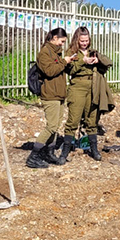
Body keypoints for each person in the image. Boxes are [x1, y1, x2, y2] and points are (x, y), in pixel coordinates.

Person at [60, 27, 111, 162]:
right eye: (82, 41)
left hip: (92, 86)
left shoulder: (92, 52)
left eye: (87, 40)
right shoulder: (72, 53)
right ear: (77, 39)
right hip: (78, 87)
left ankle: (94, 150)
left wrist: (98, 60)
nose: (84, 43)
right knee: (73, 119)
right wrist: (83, 61)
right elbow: (70, 70)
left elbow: (109, 63)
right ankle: (64, 152)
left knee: (92, 119)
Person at [30, 28, 75, 168]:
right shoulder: (44, 53)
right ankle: (33, 156)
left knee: (55, 126)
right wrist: (64, 62)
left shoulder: (55, 53)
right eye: (61, 41)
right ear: (54, 38)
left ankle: (49, 152)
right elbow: (49, 71)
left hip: (59, 95)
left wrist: (69, 62)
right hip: (50, 95)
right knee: (51, 126)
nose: (62, 44)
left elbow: (58, 69)